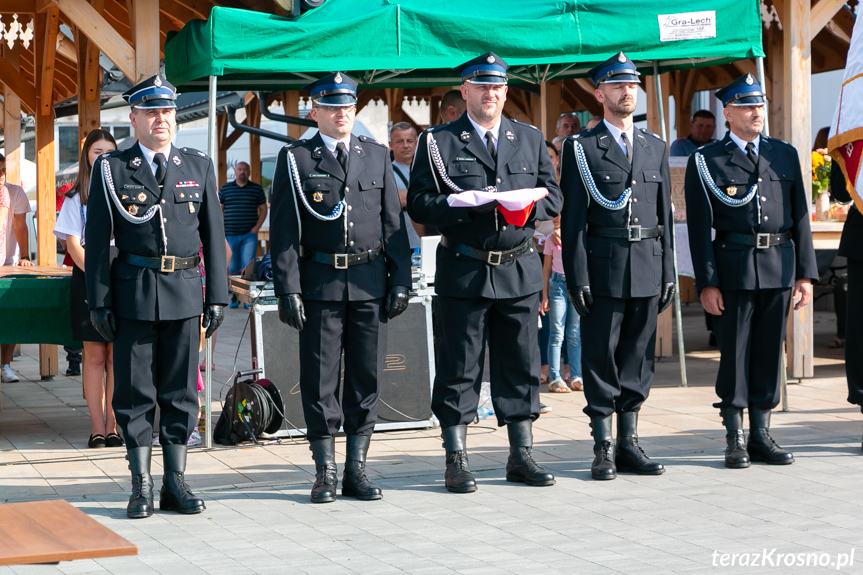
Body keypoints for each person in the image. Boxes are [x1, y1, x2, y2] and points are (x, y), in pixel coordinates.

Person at [408, 52, 563, 493]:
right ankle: (456, 459)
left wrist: (526, 204)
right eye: (480, 86)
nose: (489, 94)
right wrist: (456, 205)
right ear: (465, 91)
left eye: (496, 86)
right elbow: (419, 203)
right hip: (465, 268)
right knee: (460, 367)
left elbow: (555, 197)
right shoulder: (438, 142)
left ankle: (521, 455)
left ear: (506, 91)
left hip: (518, 269)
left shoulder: (528, 138)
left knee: (520, 364)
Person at [85, 75, 228, 518]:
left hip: (186, 291)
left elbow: (213, 233)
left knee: (181, 392)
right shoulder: (111, 168)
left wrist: (217, 296)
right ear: (133, 118)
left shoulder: (197, 165)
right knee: (135, 392)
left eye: (166, 111)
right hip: (135, 294)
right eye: (151, 112)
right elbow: (97, 241)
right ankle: (141, 484)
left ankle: (175, 482)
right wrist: (99, 301)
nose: (160, 119)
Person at [270, 72, 411, 504]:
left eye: (348, 105)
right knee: (320, 378)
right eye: (332, 106)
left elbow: (393, 223)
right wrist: (287, 289)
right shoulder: (296, 158)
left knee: (366, 376)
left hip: (369, 283)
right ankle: (325, 471)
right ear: (315, 111)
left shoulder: (375, 154)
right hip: (322, 284)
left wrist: (401, 277)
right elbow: (284, 232)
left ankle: (356, 468)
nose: (342, 113)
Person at [684, 73, 817, 469]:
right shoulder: (707, 160)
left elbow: (800, 218)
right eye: (746, 105)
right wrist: (707, 283)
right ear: (728, 113)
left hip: (778, 268)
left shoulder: (783, 153)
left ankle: (761, 433)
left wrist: (805, 274)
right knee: (734, 355)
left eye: (759, 104)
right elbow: (698, 229)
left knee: (768, 353)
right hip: (733, 270)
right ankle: (735, 437)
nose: (756, 111)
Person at [559, 52, 674, 481]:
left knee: (638, 357)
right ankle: (603, 446)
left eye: (632, 84)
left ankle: (630, 443)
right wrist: (577, 278)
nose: (628, 91)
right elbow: (571, 223)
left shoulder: (654, 146)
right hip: (604, 267)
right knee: (599, 356)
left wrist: (668, 273)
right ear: (599, 93)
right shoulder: (582, 148)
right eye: (617, 85)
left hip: (647, 264)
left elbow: (663, 218)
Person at [54, 129, 122, 448]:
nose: (104, 156)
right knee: (94, 356)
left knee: (117, 357)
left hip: (124, 277)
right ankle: (97, 427)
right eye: (98, 151)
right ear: (87, 156)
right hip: (87, 278)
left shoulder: (128, 192)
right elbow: (72, 244)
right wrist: (98, 276)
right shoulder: (74, 196)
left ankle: (115, 426)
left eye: (110, 150)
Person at [0, 154, 34, 384]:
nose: (1, 174)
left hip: (7, 263)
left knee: (9, 316)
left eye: (3, 170)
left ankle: (6, 365)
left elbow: (21, 226)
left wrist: (24, 256)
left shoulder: (14, 193)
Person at [541, 215, 582, 393]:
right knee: (557, 332)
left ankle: (575, 375)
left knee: (574, 333)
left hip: (575, 284)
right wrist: (544, 296)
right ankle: (555, 377)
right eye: (554, 216)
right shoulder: (550, 240)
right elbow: (546, 269)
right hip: (557, 286)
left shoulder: (577, 236)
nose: (557, 218)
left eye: (560, 215)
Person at [219, 160, 267, 307]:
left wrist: (256, 228)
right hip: (230, 234)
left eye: (245, 170)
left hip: (249, 235)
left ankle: (247, 298)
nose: (242, 172)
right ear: (235, 172)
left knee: (248, 267)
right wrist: (221, 228)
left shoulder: (257, 189)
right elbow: (219, 209)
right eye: (239, 169)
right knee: (233, 268)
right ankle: (235, 296)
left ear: (249, 172)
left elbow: (264, 209)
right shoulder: (225, 189)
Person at [389, 122, 424, 246]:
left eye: (409, 140)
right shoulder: (385, 172)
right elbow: (387, 200)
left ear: (416, 143)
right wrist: (424, 197)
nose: (405, 145)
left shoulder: (427, 170)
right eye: (399, 141)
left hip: (425, 242)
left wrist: (404, 198)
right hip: (399, 245)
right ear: (390, 145)